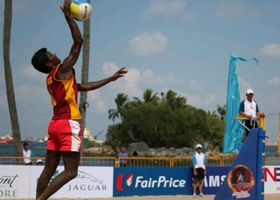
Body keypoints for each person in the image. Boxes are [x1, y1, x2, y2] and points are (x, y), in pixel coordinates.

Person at [31, 1, 127, 199]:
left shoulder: (52, 79)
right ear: (50, 63)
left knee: (48, 171)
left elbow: (84, 87)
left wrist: (111, 78)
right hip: (68, 123)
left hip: (55, 124)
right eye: (51, 54)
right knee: (71, 171)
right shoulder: (62, 69)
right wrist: (68, 14)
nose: (55, 53)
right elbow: (78, 42)